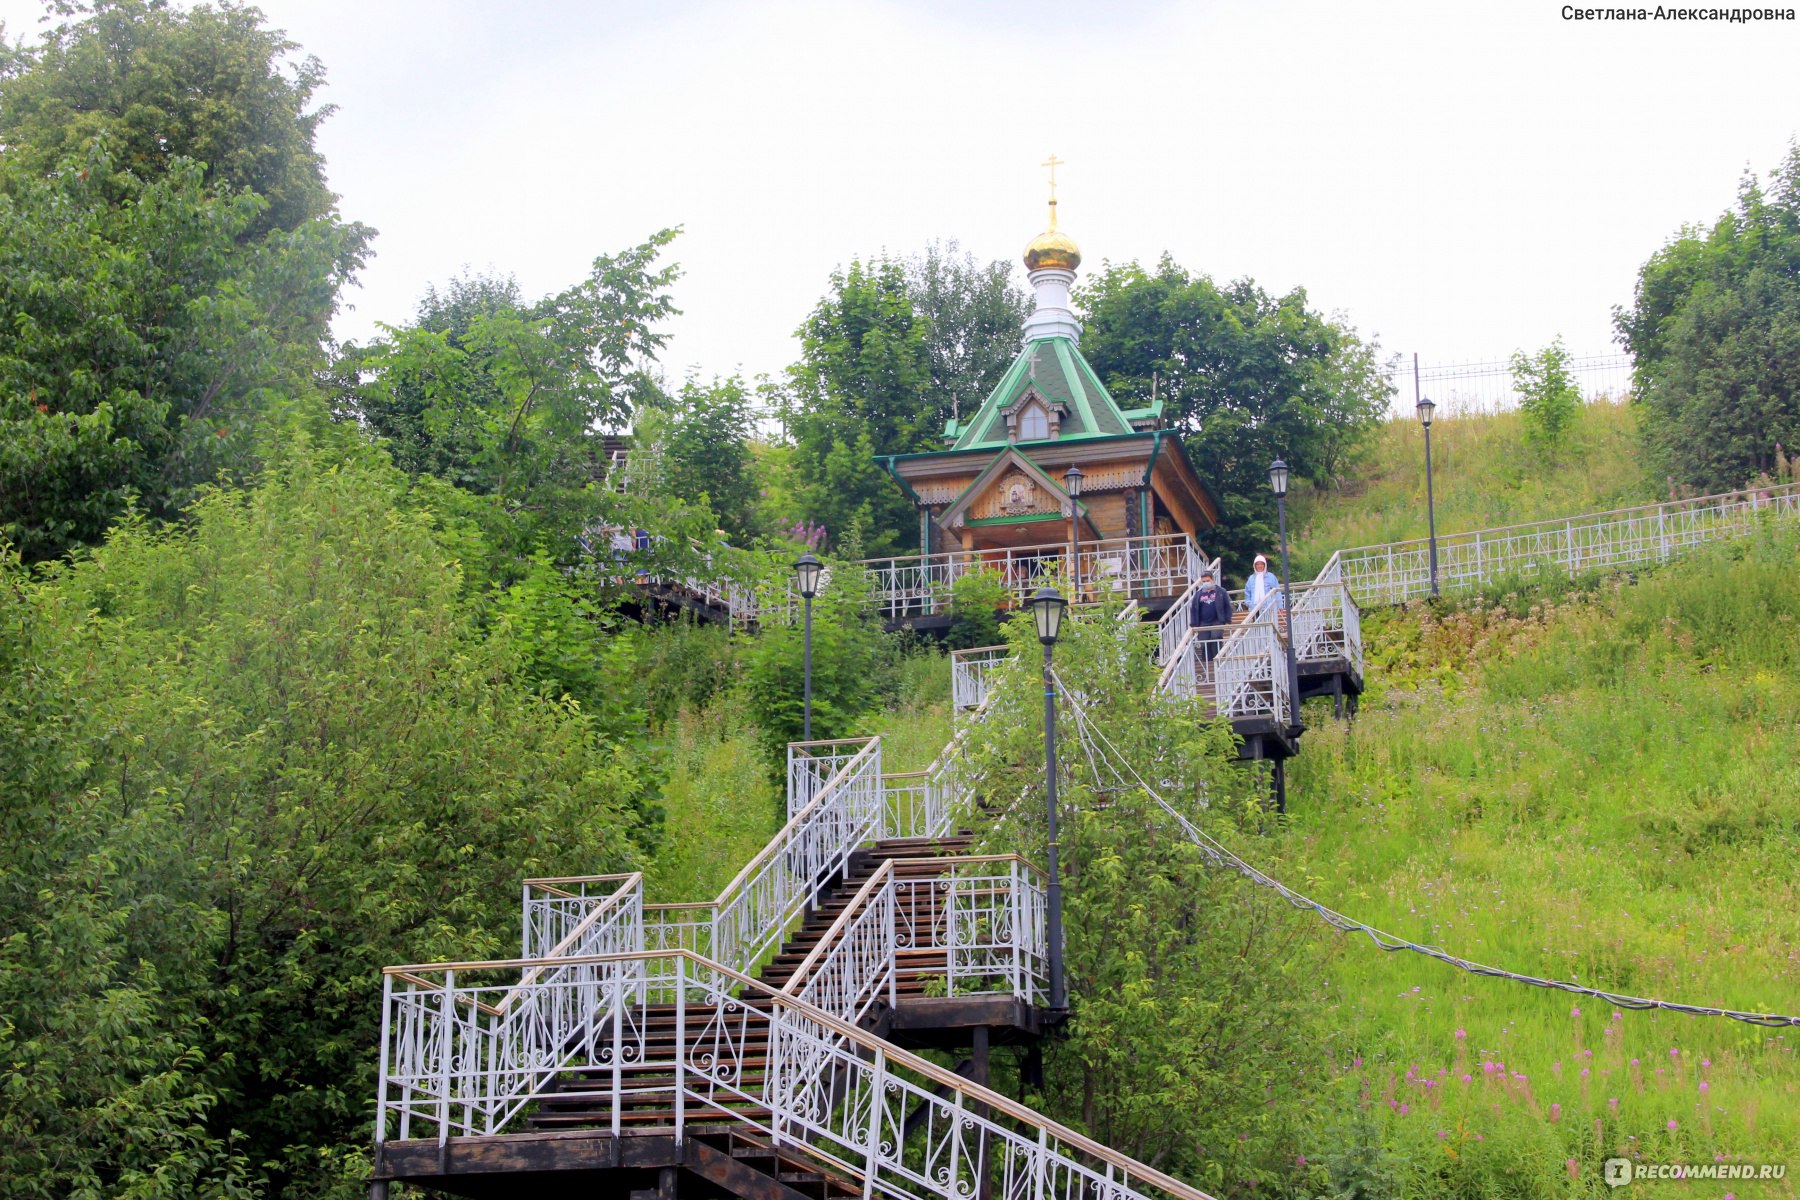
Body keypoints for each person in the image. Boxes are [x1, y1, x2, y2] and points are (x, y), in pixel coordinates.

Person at [1188, 568, 1233, 662]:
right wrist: (1193, 624)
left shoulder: (1221, 591)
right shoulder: (1198, 594)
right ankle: (1207, 663)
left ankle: (1218, 660)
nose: (1206, 583)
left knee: (1215, 637)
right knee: (1204, 642)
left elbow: (1228, 606)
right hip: (1203, 622)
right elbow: (1194, 609)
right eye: (1203, 581)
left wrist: (1228, 620)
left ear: (1213, 579)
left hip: (1217, 620)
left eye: (1208, 581)